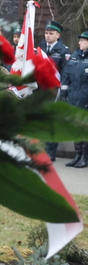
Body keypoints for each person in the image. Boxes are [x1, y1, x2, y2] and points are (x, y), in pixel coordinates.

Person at [39, 20, 69, 161]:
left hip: (54, 90)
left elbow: (65, 73)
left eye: (51, 33)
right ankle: (41, 149)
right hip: (40, 89)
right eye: (46, 33)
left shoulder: (64, 51)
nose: (47, 36)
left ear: (58, 35)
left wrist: (63, 92)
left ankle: (51, 152)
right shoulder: (40, 46)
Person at [61, 31, 88, 168]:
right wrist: (64, 92)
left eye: (82, 40)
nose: (79, 43)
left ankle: (84, 157)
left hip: (85, 97)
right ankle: (77, 155)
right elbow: (66, 75)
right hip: (74, 96)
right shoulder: (74, 56)